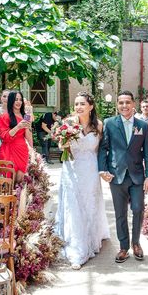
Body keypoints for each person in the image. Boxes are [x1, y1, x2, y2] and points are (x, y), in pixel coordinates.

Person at [55, 92, 110, 270]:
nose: (78, 107)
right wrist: (63, 144)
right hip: (72, 167)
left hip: (91, 169)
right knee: (74, 204)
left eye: (82, 104)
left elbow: (102, 149)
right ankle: (77, 245)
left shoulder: (99, 125)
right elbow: (61, 146)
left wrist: (104, 169)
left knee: (89, 202)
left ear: (91, 106)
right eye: (76, 104)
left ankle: (92, 234)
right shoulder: (69, 123)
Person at [98, 91, 148, 263]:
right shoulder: (109, 123)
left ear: (133, 104)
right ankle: (124, 247)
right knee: (120, 213)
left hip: (137, 176)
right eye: (121, 103)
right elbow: (103, 149)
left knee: (138, 209)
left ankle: (136, 243)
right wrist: (102, 170)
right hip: (116, 175)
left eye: (127, 102)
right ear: (117, 105)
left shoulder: (142, 126)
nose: (124, 106)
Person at [0, 91, 32, 184]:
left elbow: (28, 136)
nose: (19, 102)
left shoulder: (26, 116)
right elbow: (4, 137)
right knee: (9, 182)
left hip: (22, 149)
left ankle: (19, 199)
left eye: (20, 99)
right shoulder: (3, 117)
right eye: (16, 99)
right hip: (8, 149)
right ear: (11, 101)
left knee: (20, 181)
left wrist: (32, 149)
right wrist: (18, 127)